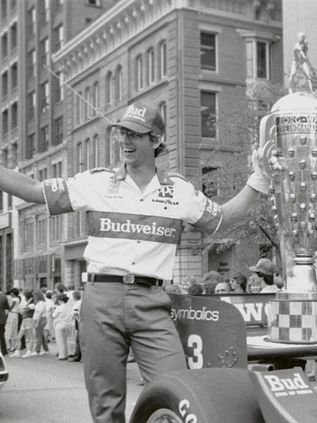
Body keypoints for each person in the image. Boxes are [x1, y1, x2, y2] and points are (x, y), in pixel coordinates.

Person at [0, 102, 272, 423]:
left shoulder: (180, 191)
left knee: (176, 389)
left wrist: (259, 179)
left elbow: (222, 218)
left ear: (156, 140)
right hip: (101, 300)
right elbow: (33, 190)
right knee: (106, 406)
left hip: (152, 303)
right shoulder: (96, 182)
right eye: (122, 133)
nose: (125, 142)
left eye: (136, 135)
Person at [52, 293, 70, 361]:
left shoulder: (59, 307)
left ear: (60, 300)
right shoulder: (68, 307)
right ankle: (66, 353)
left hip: (59, 325)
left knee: (60, 341)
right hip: (67, 324)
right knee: (65, 340)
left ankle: (62, 355)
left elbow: (53, 315)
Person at [32, 289, 49, 356]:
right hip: (40, 319)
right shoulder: (39, 303)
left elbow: (40, 313)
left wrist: (37, 322)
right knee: (41, 335)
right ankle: (46, 349)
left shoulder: (41, 303)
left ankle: (37, 350)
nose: (34, 297)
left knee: (38, 335)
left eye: (35, 295)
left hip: (40, 319)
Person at [0, 288, 9, 355]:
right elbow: (7, 308)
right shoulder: (4, 296)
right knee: (2, 335)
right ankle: (4, 351)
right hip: (2, 318)